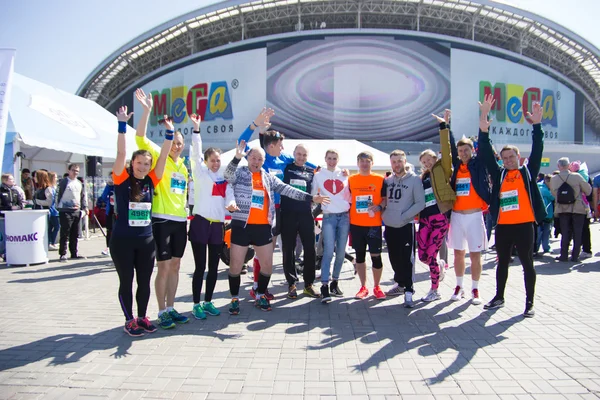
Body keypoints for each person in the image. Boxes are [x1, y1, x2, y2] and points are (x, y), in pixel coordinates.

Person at [224, 142, 329, 314]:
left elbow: (288, 189)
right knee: (235, 265)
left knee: (267, 265)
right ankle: (235, 299)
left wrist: (310, 198)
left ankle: (260, 295)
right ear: (248, 158)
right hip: (242, 225)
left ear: (263, 161)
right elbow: (227, 174)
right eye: (253, 158)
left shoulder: (267, 177)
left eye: (259, 159)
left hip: (263, 226)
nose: (256, 162)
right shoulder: (240, 173)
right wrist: (236, 157)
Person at [236, 108, 318, 299]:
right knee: (266, 248)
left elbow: (304, 163)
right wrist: (255, 125)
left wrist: (323, 169)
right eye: (280, 145)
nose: (283, 148)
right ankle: (257, 286)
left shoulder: (285, 159)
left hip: (285, 210)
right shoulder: (259, 158)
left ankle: (289, 284)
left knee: (282, 248)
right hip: (265, 210)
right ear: (271, 145)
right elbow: (241, 142)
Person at [478, 97, 546, 318]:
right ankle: (499, 297)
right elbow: (486, 153)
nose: (507, 160)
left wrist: (536, 125)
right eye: (504, 157)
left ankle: (529, 302)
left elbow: (538, 148)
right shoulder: (499, 174)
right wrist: (483, 124)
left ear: (518, 156)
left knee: (527, 263)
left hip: (525, 226)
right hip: (504, 227)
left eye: (511, 157)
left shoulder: (527, 172)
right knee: (502, 264)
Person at [111, 105, 171, 336]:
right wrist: (121, 125)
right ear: (132, 164)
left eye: (147, 164)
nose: (143, 166)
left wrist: (169, 133)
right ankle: (129, 320)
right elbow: (120, 154)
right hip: (123, 240)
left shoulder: (151, 180)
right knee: (127, 282)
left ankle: (142, 317)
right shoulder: (121, 178)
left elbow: (163, 156)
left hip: (146, 241)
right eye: (140, 163)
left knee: (144, 282)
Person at [135, 89, 189, 329]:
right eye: (173, 142)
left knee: (176, 265)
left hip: (180, 220)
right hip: (161, 219)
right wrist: (146, 111)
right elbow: (139, 138)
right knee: (164, 266)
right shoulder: (160, 155)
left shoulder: (184, 168)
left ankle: (171, 307)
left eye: (179, 143)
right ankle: (160, 311)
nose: (176, 146)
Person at [188, 113, 231, 320]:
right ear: (206, 161)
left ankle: (208, 301)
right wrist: (197, 130)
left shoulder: (223, 178)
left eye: (218, 160)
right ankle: (196, 304)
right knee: (200, 267)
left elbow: (228, 198)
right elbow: (195, 154)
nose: (216, 163)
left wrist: (231, 205)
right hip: (201, 224)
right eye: (212, 160)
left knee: (213, 267)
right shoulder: (200, 173)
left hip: (217, 227)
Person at [447, 112, 491, 305]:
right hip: (457, 216)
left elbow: (484, 149)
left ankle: (475, 289)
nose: (463, 153)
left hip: (474, 216)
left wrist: (483, 128)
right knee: (458, 253)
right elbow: (448, 145)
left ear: (472, 150)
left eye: (466, 150)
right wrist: (446, 127)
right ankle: (459, 286)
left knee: (475, 254)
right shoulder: (456, 167)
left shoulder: (478, 164)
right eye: (461, 151)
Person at [417, 111, 456, 303]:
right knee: (422, 255)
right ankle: (439, 265)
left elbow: (446, 149)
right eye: (424, 162)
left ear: (435, 159)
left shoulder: (443, 168)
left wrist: (444, 127)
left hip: (440, 218)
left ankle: (435, 289)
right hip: (425, 219)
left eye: (429, 160)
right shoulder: (422, 178)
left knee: (431, 253)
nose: (427, 163)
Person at [381, 149, 425, 307]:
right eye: (394, 161)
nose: (397, 164)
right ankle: (399, 284)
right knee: (394, 258)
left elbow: (420, 203)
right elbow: (385, 200)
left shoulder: (414, 180)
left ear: (405, 161)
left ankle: (408, 290)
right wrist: (382, 211)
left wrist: (404, 216)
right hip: (390, 226)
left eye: (399, 161)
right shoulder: (387, 180)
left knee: (407, 260)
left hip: (405, 225)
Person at [281, 144, 320, 299]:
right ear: (294, 154)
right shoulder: (286, 167)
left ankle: (309, 284)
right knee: (288, 250)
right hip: (288, 214)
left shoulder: (312, 172)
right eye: (299, 154)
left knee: (310, 249)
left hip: (305, 215)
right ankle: (291, 283)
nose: (301, 157)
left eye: (304, 155)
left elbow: (317, 192)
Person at [312, 149, 351, 302]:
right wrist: (318, 199)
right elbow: (314, 195)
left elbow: (349, 194)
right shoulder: (319, 175)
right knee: (328, 251)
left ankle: (335, 281)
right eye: (329, 158)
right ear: (325, 159)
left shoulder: (344, 174)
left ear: (338, 159)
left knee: (341, 252)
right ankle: (324, 285)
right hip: (328, 217)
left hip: (344, 217)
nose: (332, 161)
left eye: (335, 158)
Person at [348, 152, 386, 300]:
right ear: (357, 163)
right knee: (360, 257)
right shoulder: (351, 179)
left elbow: (385, 199)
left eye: (367, 161)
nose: (364, 164)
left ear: (372, 163)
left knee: (376, 257)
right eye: (362, 161)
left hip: (373, 225)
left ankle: (377, 286)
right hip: (356, 224)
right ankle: (363, 287)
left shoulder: (380, 179)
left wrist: (380, 206)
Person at [550, 157, 592, 262]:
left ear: (558, 166)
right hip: (578, 208)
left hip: (563, 209)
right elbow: (588, 190)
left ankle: (563, 255)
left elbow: (554, 194)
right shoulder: (577, 176)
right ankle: (575, 256)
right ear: (569, 166)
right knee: (577, 233)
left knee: (565, 233)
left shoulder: (554, 179)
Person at [56, 164, 88, 262]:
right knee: (65, 233)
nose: (75, 173)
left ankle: (74, 253)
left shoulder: (79, 183)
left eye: (77, 171)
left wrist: (85, 207)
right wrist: (58, 207)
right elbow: (58, 195)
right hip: (65, 210)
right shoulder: (63, 182)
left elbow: (82, 196)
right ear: (69, 171)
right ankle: (63, 254)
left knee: (75, 233)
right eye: (73, 170)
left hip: (76, 210)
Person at [534, 175, 555, 257]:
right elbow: (553, 197)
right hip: (544, 214)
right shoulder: (543, 189)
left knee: (546, 231)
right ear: (547, 181)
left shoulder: (539, 186)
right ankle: (538, 248)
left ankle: (545, 247)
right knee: (542, 232)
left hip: (546, 214)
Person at [98, 177, 115, 256]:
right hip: (110, 211)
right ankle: (108, 247)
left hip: (121, 212)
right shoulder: (109, 187)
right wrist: (108, 186)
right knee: (109, 230)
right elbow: (103, 197)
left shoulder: (122, 185)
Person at [47, 172, 60, 250]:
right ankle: (51, 242)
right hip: (52, 210)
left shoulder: (55, 187)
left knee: (54, 226)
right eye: (55, 177)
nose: (57, 179)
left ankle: (51, 242)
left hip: (56, 210)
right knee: (56, 226)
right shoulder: (49, 188)